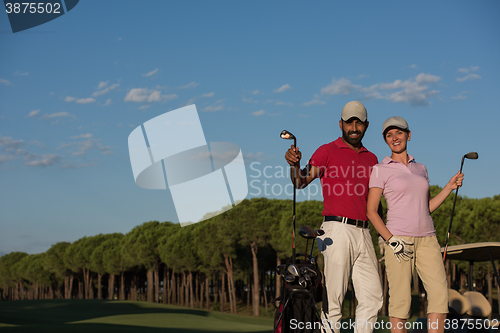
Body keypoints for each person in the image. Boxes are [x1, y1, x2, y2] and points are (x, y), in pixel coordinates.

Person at [285, 101, 383, 333]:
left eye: (359, 122)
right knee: (334, 300)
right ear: (341, 124)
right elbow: (300, 182)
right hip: (336, 230)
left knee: (373, 298)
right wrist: (294, 165)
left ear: (366, 125)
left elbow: (376, 203)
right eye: (349, 122)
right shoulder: (326, 151)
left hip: (365, 232)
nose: (354, 126)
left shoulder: (372, 159)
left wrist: (384, 236)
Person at [366, 116, 463, 333]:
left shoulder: (421, 168)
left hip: (428, 238)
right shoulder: (380, 169)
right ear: (385, 140)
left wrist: (448, 187)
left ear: (408, 135)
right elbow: (371, 211)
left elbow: (424, 207)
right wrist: (391, 241)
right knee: (400, 303)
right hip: (398, 240)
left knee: (439, 296)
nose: (394, 138)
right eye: (389, 135)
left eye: (399, 133)